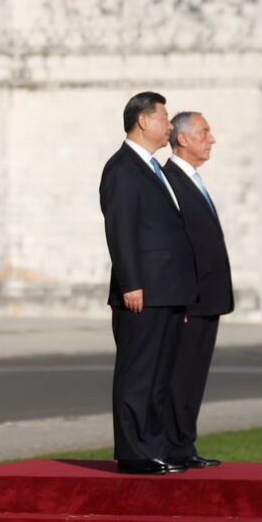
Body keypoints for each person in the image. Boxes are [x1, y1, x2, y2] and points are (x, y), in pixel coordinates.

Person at [99, 92, 197, 475]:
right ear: (143, 120)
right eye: (164, 118)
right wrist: (131, 282)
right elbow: (120, 230)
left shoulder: (154, 169)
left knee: (160, 375)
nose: (170, 126)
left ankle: (156, 448)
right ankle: (135, 453)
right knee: (138, 373)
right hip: (141, 292)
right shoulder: (122, 168)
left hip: (167, 292)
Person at [163, 112, 233, 468]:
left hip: (209, 297)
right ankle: (172, 447)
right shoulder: (168, 180)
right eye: (205, 132)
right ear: (183, 139)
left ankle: (184, 445)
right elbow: (176, 246)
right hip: (190, 300)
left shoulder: (191, 179)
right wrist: (184, 299)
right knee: (180, 375)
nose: (211, 139)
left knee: (194, 377)